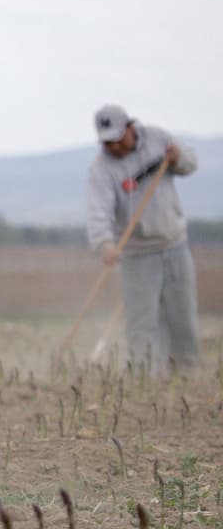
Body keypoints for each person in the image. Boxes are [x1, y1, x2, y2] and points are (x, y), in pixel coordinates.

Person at [87, 104, 200, 372]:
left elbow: (191, 163)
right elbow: (97, 211)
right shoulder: (101, 169)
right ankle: (143, 378)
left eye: (117, 139)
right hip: (136, 254)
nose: (113, 146)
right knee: (142, 322)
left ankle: (188, 374)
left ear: (130, 127)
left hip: (175, 244)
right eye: (107, 142)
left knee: (182, 316)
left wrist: (179, 156)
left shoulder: (158, 139)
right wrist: (104, 244)